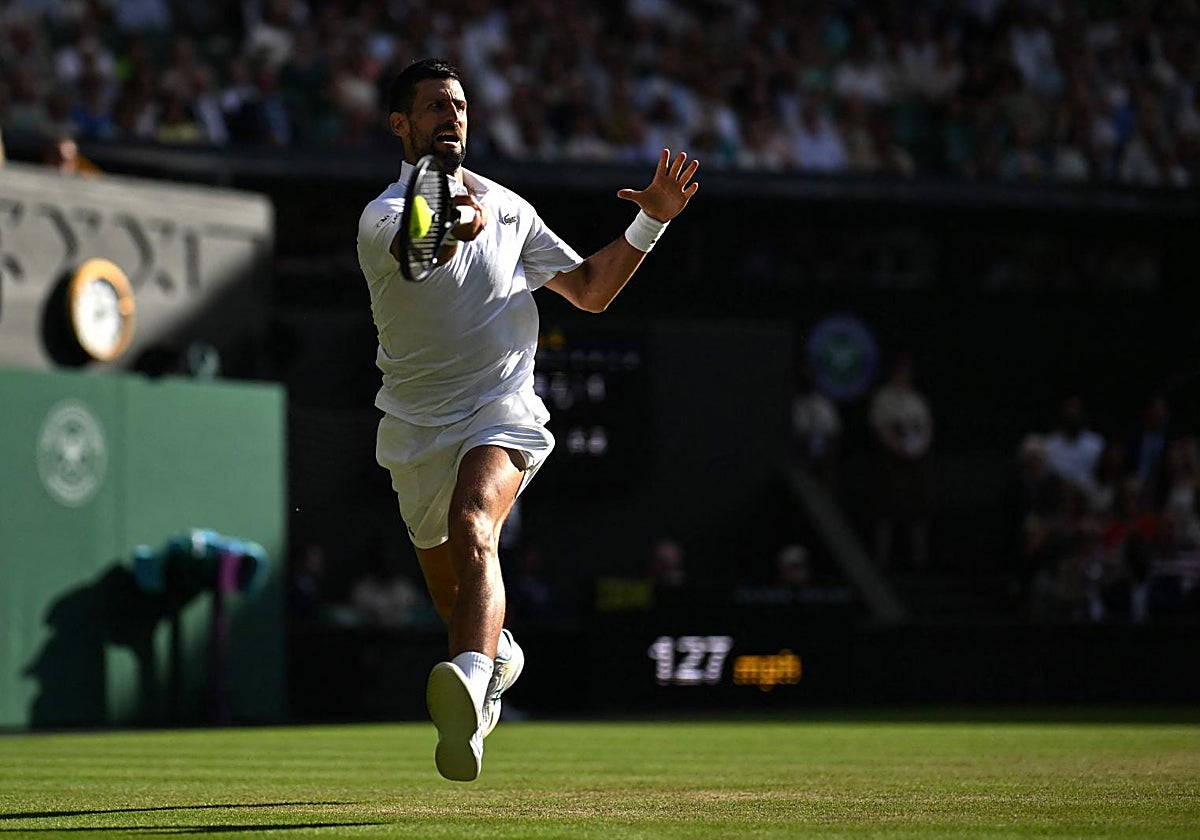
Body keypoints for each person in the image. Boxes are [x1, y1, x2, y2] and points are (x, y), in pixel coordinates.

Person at [356, 58, 699, 782]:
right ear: (401, 125)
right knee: (451, 593)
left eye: (459, 105)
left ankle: (477, 679)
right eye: (432, 107)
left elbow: (591, 290)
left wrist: (651, 221)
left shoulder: (512, 209)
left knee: (476, 525)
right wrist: (454, 218)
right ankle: (498, 658)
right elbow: (422, 249)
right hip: (415, 426)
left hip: (501, 408)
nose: (451, 116)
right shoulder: (380, 217)